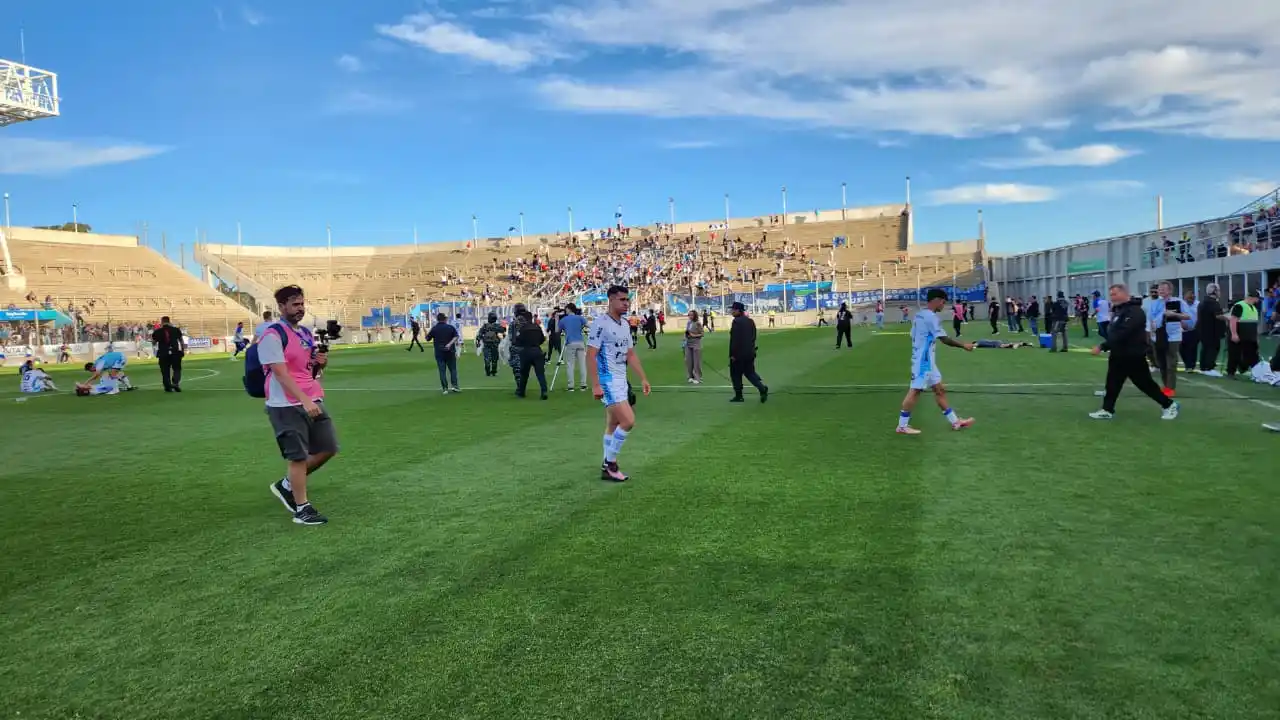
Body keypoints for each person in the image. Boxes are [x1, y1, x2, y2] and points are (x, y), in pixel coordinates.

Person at [259, 285, 337, 526]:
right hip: (286, 404)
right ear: (281, 307)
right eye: (294, 304)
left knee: (328, 447)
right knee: (298, 456)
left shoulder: (303, 333)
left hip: (312, 397)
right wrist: (303, 400)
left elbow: (308, 370)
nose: (300, 308)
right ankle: (302, 509)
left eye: (302, 304)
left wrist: (320, 363)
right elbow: (281, 374)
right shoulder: (272, 335)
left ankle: (286, 485)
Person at [588, 286, 651, 482]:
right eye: (622, 299)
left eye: (627, 300)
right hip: (607, 380)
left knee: (613, 424)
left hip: (621, 378)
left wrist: (643, 378)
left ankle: (606, 465)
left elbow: (630, 355)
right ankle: (610, 463)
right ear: (611, 300)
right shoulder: (600, 324)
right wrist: (596, 384)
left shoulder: (624, 324)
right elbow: (591, 355)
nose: (626, 303)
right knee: (628, 421)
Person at [1090, 283, 1179, 421]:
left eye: (1115, 294)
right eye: (1111, 294)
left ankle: (1169, 404)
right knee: (1112, 382)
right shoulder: (1119, 310)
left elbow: (1123, 332)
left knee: (1144, 384)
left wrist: (1103, 346)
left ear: (1125, 294)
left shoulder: (1135, 311)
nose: (1112, 297)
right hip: (1119, 354)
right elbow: (1114, 331)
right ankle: (1107, 409)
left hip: (1132, 355)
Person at [895, 289, 975, 435]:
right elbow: (944, 339)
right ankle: (902, 426)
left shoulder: (919, 315)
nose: (943, 306)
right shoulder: (931, 317)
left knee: (939, 390)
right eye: (943, 302)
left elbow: (913, 335)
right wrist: (964, 346)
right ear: (937, 300)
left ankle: (955, 421)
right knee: (915, 391)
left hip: (927, 360)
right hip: (923, 361)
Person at [1151, 281, 1191, 396]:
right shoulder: (1155, 303)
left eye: (1163, 288)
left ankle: (1170, 388)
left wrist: (1174, 315)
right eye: (1159, 288)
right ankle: (1166, 386)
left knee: (1171, 363)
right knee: (1161, 363)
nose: (1161, 290)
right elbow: (1151, 318)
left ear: (1170, 290)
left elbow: (1188, 316)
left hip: (1173, 336)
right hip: (1158, 336)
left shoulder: (1178, 302)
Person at [728, 301, 769, 403]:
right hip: (750, 352)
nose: (731, 311)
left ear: (738, 310)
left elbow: (735, 340)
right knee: (750, 373)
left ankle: (739, 396)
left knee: (735, 374)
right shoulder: (750, 321)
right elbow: (753, 337)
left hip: (739, 354)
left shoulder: (736, 322)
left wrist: (733, 354)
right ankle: (762, 388)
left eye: (733, 310)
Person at [1227, 290, 1261, 378]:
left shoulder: (1254, 309)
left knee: (1252, 355)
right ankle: (1231, 372)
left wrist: (1257, 338)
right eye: (1257, 298)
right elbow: (1233, 320)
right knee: (1234, 354)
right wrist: (1234, 334)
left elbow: (1255, 324)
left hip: (1250, 337)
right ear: (1252, 298)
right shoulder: (1239, 306)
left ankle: (1244, 369)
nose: (1258, 301)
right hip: (1239, 335)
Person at [514, 310, 548, 399]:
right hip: (537, 351)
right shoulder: (537, 327)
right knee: (540, 373)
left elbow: (517, 341)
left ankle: (521, 392)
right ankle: (544, 391)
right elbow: (542, 339)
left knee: (524, 374)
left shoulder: (522, 328)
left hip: (526, 351)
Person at [425, 312, 461, 394]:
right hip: (450, 351)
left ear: (437, 319)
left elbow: (427, 338)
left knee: (442, 371)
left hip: (439, 353)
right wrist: (449, 344)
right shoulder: (450, 327)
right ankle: (455, 386)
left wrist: (425, 332)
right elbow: (456, 336)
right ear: (445, 319)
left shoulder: (434, 328)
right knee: (453, 369)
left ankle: (445, 388)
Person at [1197, 283, 1227, 377]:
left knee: (1205, 349)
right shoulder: (1213, 303)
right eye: (1218, 290)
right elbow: (1217, 316)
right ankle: (1209, 368)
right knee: (1212, 348)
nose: (1219, 292)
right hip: (1212, 331)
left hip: (1203, 330)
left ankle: (1203, 367)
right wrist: (1228, 318)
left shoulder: (1203, 302)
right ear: (1214, 291)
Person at [151, 316, 186, 392]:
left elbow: (154, 343)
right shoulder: (176, 330)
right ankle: (176, 383)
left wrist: (155, 341)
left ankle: (168, 386)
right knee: (177, 369)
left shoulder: (158, 331)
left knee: (165, 370)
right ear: (169, 321)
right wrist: (183, 350)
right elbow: (181, 341)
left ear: (162, 322)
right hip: (175, 352)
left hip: (163, 353)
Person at [558, 303, 588, 391]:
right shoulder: (580, 318)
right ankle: (583, 385)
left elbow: (557, 330)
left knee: (570, 365)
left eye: (566, 309)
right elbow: (589, 325)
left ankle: (571, 385)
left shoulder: (564, 319)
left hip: (570, 342)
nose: (565, 311)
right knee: (582, 364)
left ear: (569, 309)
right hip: (580, 342)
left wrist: (557, 319)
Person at [476, 312, 506, 377]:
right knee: (494, 360)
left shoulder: (485, 326)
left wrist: (478, 341)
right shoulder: (497, 326)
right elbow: (503, 332)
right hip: (494, 345)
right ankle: (493, 372)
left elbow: (480, 334)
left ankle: (488, 372)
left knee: (487, 359)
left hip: (487, 345)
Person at [684, 309, 704, 384]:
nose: (690, 316)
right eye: (689, 315)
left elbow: (702, 334)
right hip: (688, 343)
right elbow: (687, 332)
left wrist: (694, 335)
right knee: (688, 361)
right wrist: (685, 338)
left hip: (696, 344)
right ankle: (690, 376)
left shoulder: (698, 323)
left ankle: (698, 377)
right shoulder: (688, 323)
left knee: (696, 362)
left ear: (695, 315)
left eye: (691, 315)